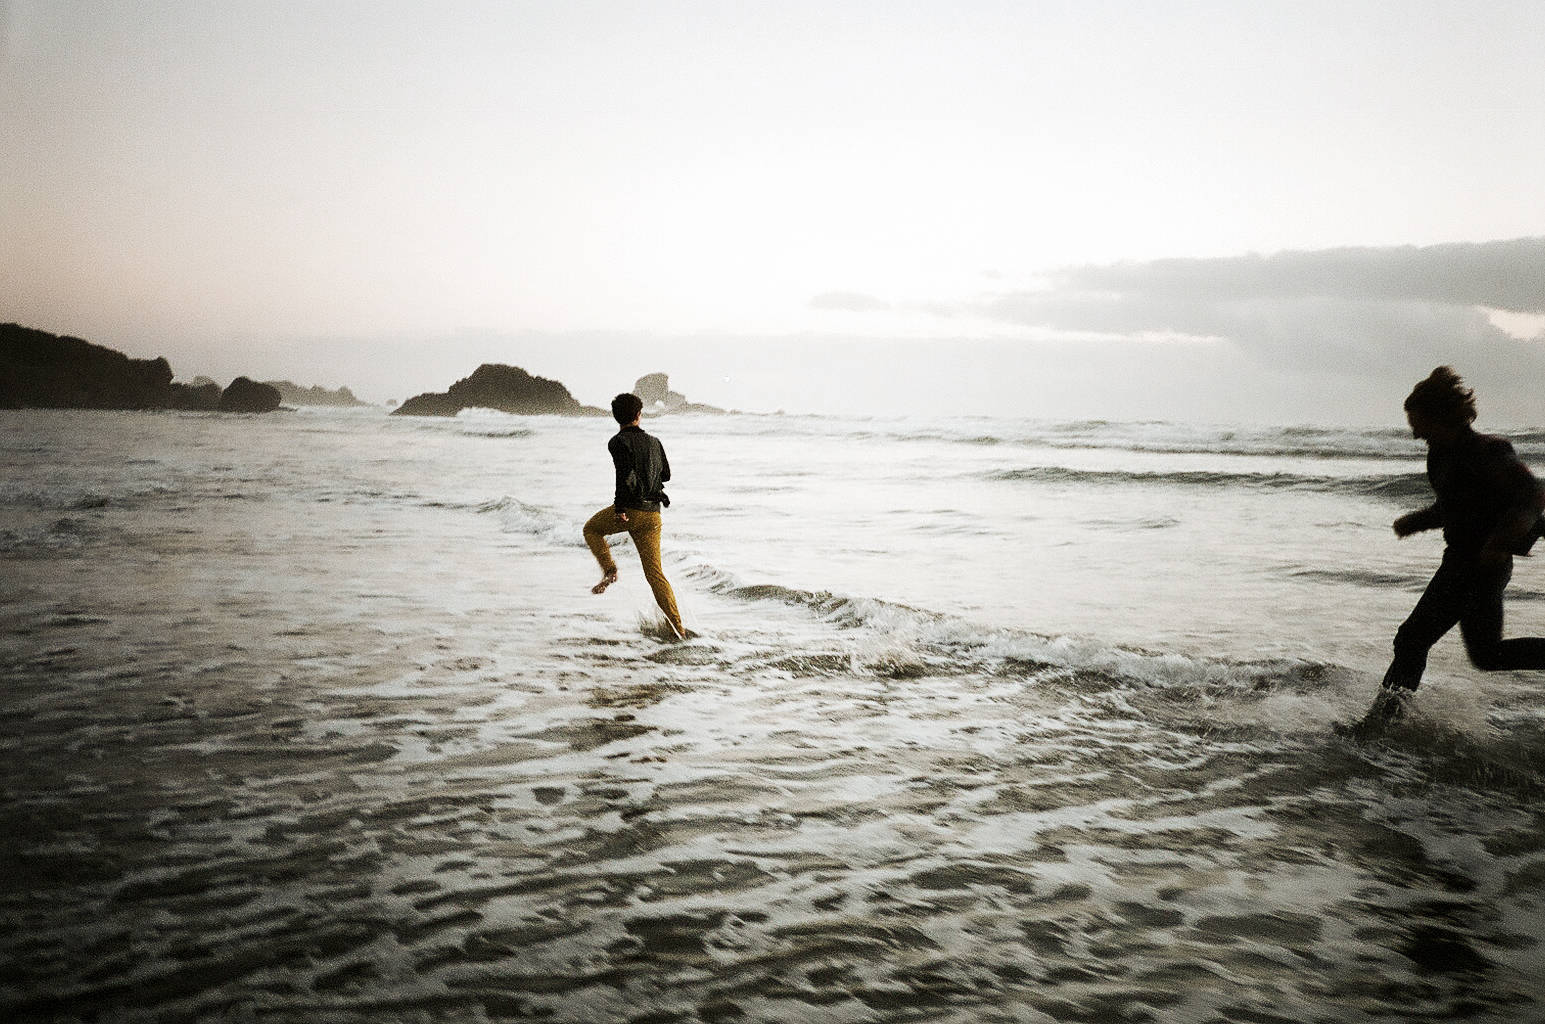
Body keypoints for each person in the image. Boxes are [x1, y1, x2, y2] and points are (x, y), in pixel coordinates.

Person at [1343, 366, 1545, 735]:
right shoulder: (1441, 456)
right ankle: (1380, 724)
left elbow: (1533, 495)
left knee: (1412, 638)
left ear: (1443, 417)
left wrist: (1499, 541)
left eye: (1420, 423)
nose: (1416, 433)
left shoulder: (1488, 451)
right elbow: (1454, 507)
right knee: (1486, 655)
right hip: (1462, 561)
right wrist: (1417, 521)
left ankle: (1377, 727)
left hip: (1481, 565)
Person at [583, 392, 687, 640]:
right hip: (652, 516)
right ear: (639, 414)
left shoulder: (616, 442)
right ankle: (678, 629)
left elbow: (622, 474)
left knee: (591, 529)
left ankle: (610, 570)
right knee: (655, 574)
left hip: (628, 511)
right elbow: (666, 475)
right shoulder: (655, 442)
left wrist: (619, 508)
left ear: (616, 417)